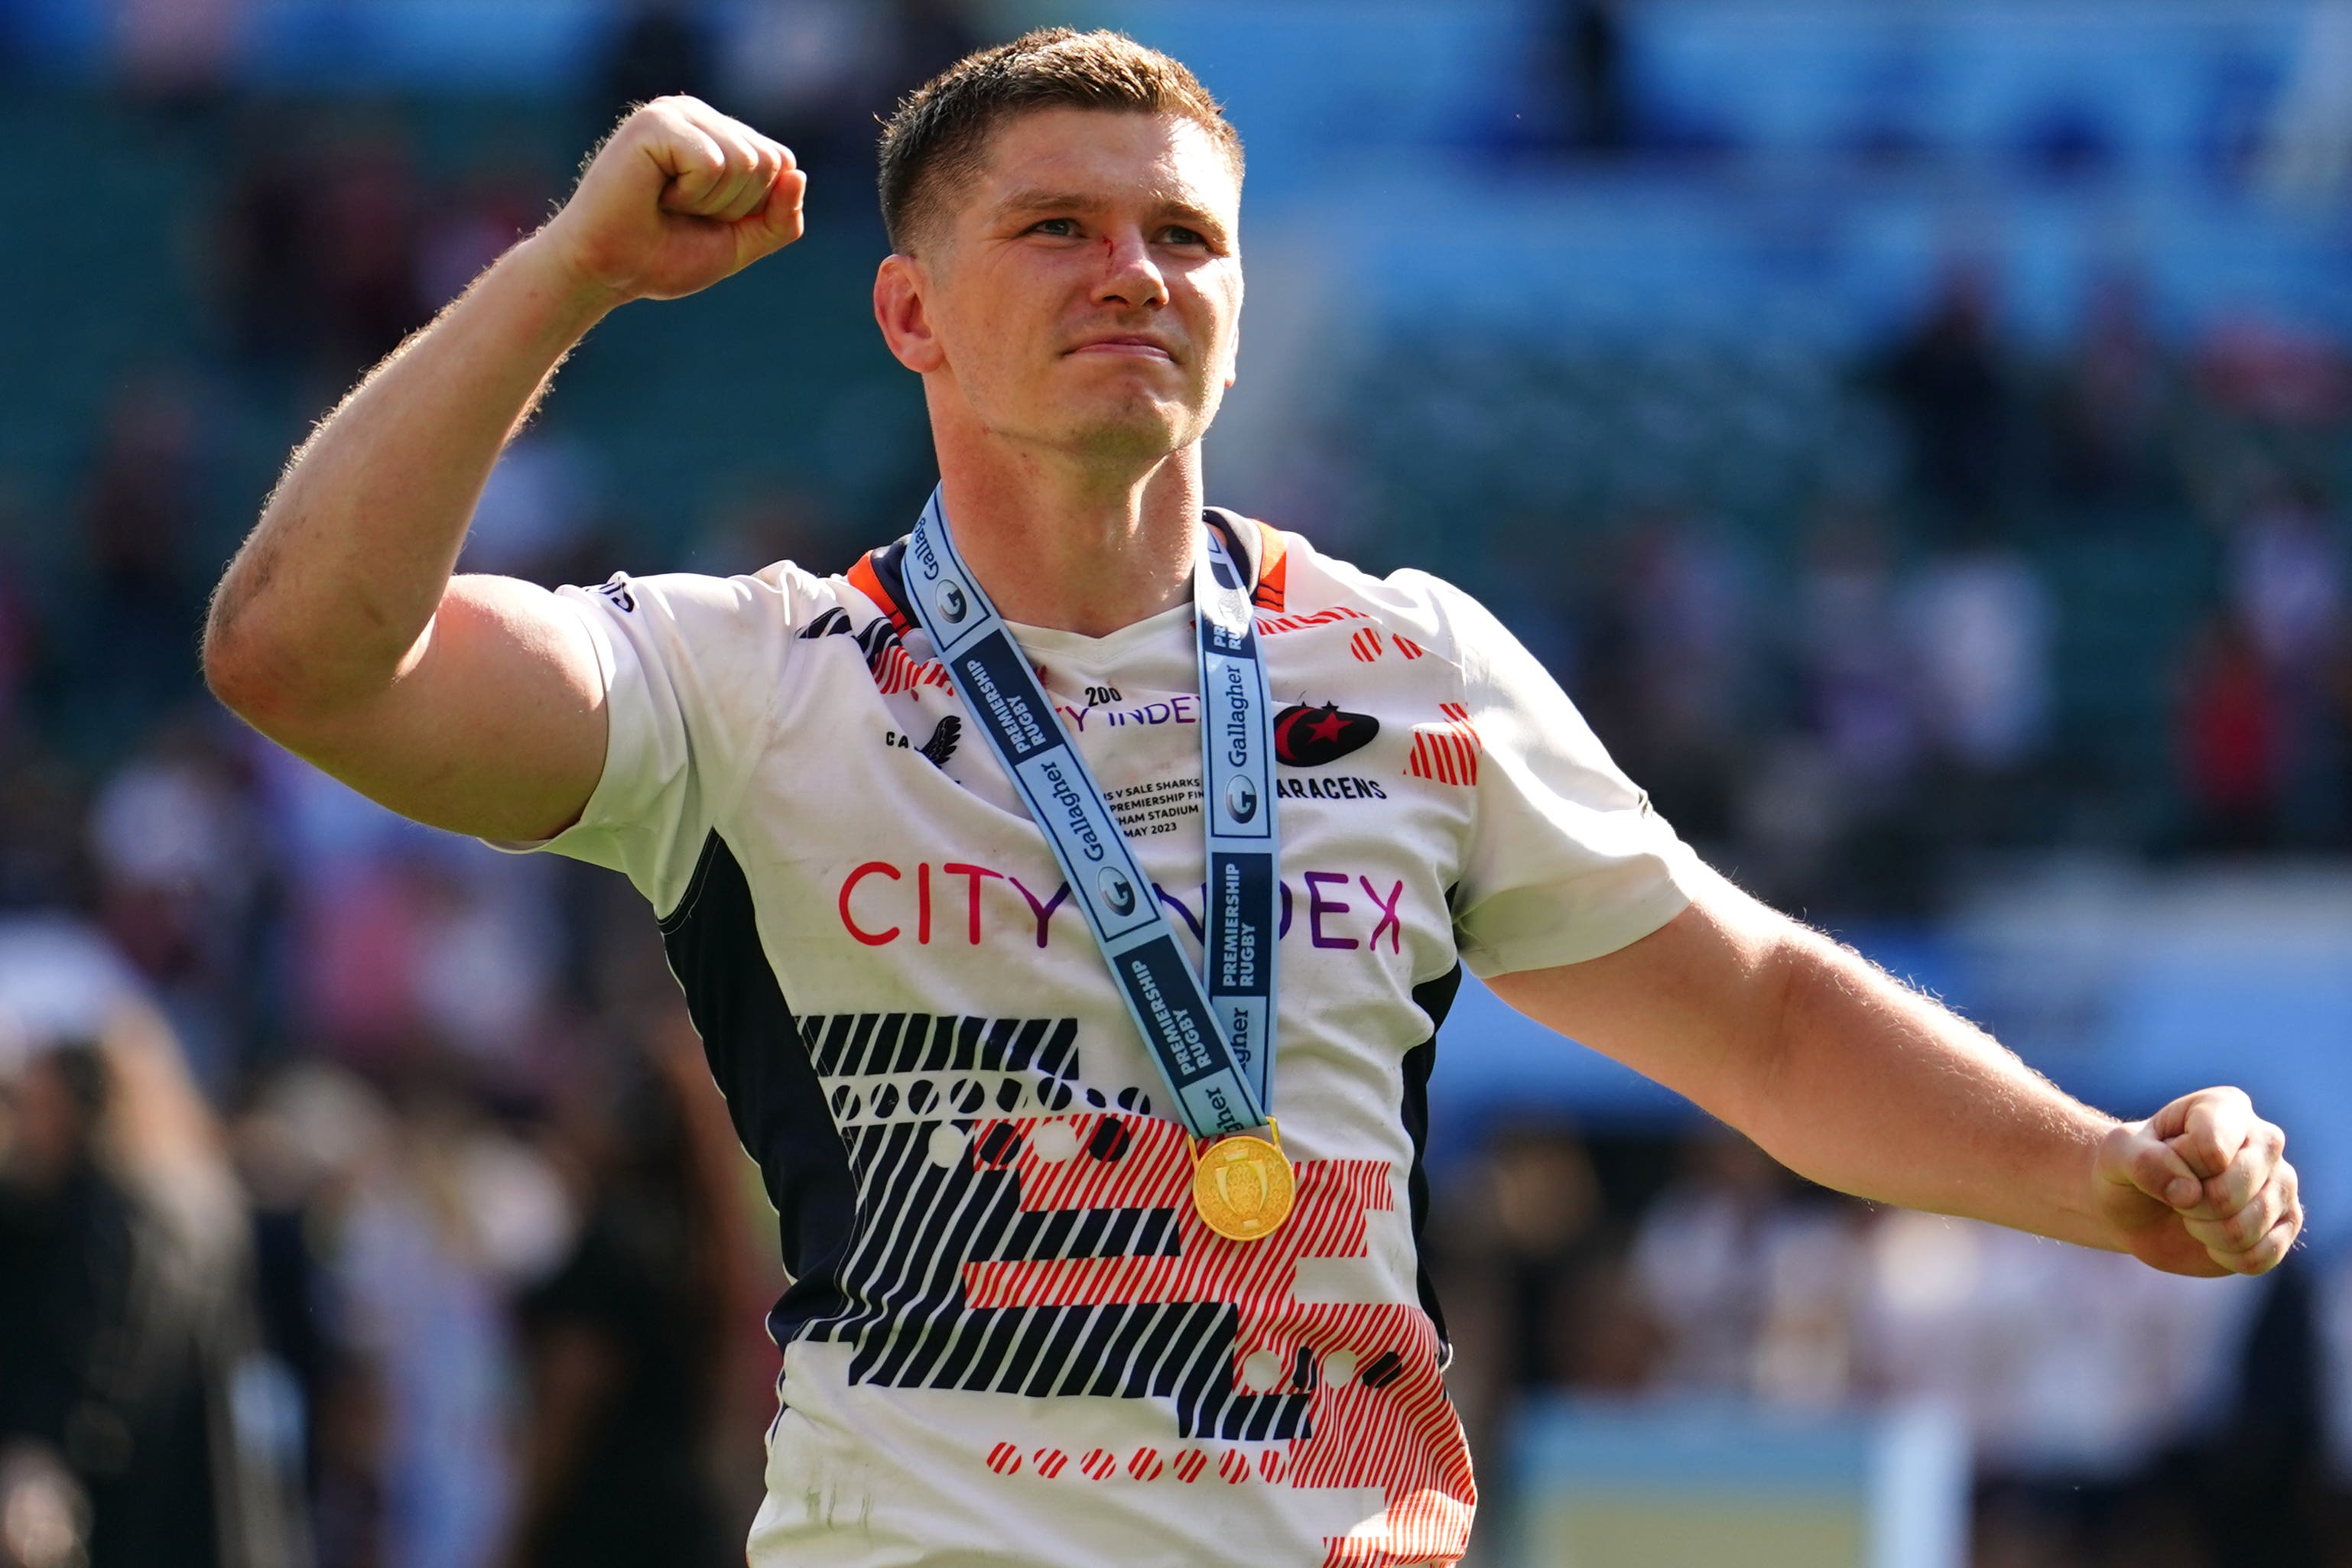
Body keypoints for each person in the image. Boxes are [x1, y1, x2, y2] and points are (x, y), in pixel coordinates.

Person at [200, 28, 2302, 1567]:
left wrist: (2096, 1168)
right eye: (1056, 228)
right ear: (909, 312)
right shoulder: (751, 673)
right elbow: (299, 653)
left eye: (1183, 237)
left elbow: (1752, 1012)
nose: (1133, 271)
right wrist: (569, 261)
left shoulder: (1406, 662)